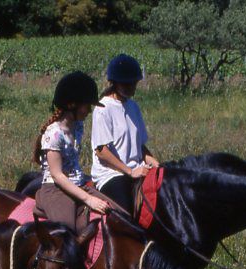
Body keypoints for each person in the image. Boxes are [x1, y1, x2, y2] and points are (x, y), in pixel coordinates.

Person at [33, 71, 113, 233]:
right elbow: (57, 175)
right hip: (55, 188)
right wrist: (88, 199)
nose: (89, 111)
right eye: (86, 106)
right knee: (67, 234)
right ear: (71, 105)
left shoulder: (77, 126)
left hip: (78, 182)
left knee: (115, 212)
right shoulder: (54, 134)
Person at [91, 54, 160, 215]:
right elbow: (101, 151)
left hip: (137, 169)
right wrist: (130, 171)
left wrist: (157, 165)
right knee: (128, 213)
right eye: (126, 84)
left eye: (133, 84)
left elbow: (140, 147)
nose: (131, 88)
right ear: (114, 83)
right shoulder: (103, 109)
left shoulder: (133, 107)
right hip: (111, 175)